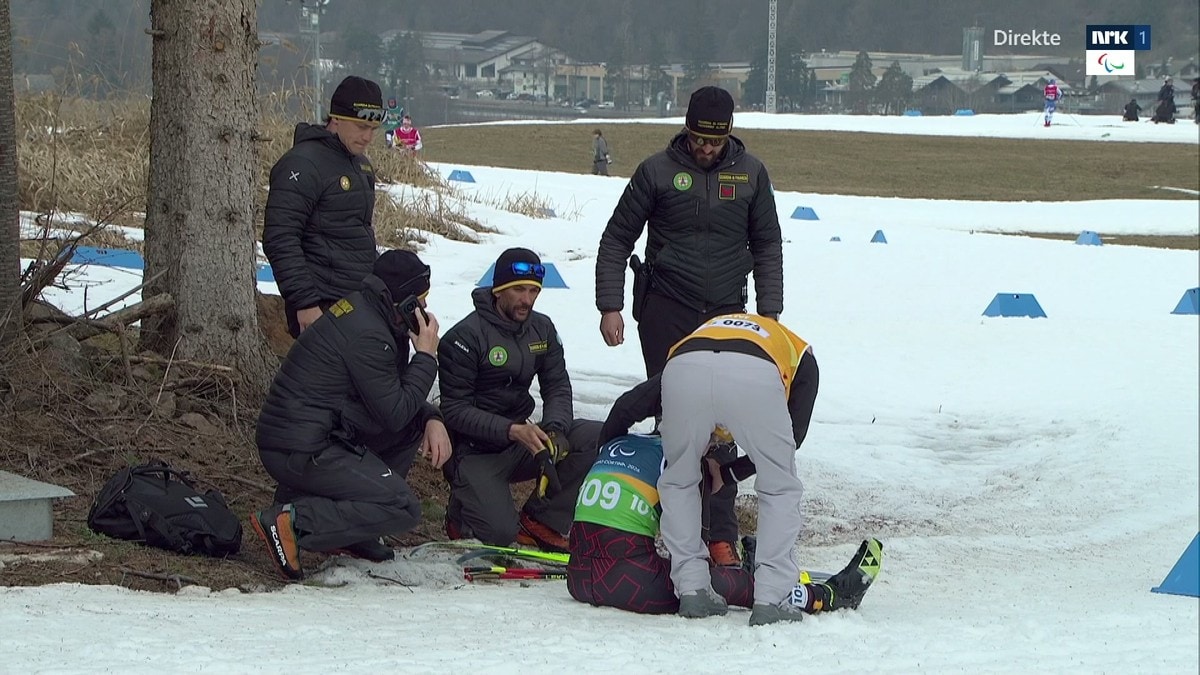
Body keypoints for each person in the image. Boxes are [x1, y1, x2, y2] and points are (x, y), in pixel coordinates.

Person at [594, 84, 783, 567]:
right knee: (676, 420)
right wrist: (609, 305)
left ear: (729, 136)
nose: (704, 148)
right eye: (698, 138)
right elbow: (617, 238)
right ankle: (668, 524)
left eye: (714, 142)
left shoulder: (751, 174)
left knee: (721, 424)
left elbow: (767, 244)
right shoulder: (656, 171)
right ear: (686, 128)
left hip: (726, 316)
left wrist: (770, 317)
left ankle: (718, 534)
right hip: (666, 309)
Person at [251, 250, 451, 580]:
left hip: (318, 434)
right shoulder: (370, 334)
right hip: (300, 448)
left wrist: (431, 416)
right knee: (402, 507)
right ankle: (293, 522)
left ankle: (353, 531)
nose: (425, 311)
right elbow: (395, 412)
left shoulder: (372, 313)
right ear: (403, 301)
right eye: (421, 302)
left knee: (414, 423)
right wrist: (427, 358)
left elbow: (393, 395)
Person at [568, 432, 882, 621]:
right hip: (628, 585)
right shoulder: (684, 460)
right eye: (716, 439)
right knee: (733, 586)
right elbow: (693, 553)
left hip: (578, 577)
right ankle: (824, 597)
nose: (717, 444)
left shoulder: (626, 440)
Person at [648, 312, 829, 624]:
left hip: (682, 365)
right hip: (754, 372)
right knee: (780, 485)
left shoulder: (723, 327)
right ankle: (772, 598)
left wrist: (726, 468)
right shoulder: (802, 356)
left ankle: (692, 589)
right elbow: (789, 440)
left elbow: (714, 404)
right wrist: (734, 469)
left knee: (678, 479)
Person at [437, 248, 597, 552]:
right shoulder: (464, 338)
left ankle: (541, 521)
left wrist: (555, 428)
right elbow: (454, 411)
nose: (527, 299)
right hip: (475, 451)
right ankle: (461, 514)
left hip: (521, 444)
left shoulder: (543, 328)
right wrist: (512, 429)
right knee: (499, 535)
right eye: (519, 290)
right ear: (498, 291)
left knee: (595, 437)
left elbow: (557, 385)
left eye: (534, 291)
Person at [263, 75, 387, 337]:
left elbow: (358, 232)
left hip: (358, 301)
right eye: (361, 126)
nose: (368, 137)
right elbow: (280, 237)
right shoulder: (302, 163)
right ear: (336, 117)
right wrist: (304, 302)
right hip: (320, 305)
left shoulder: (361, 165)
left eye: (374, 129)